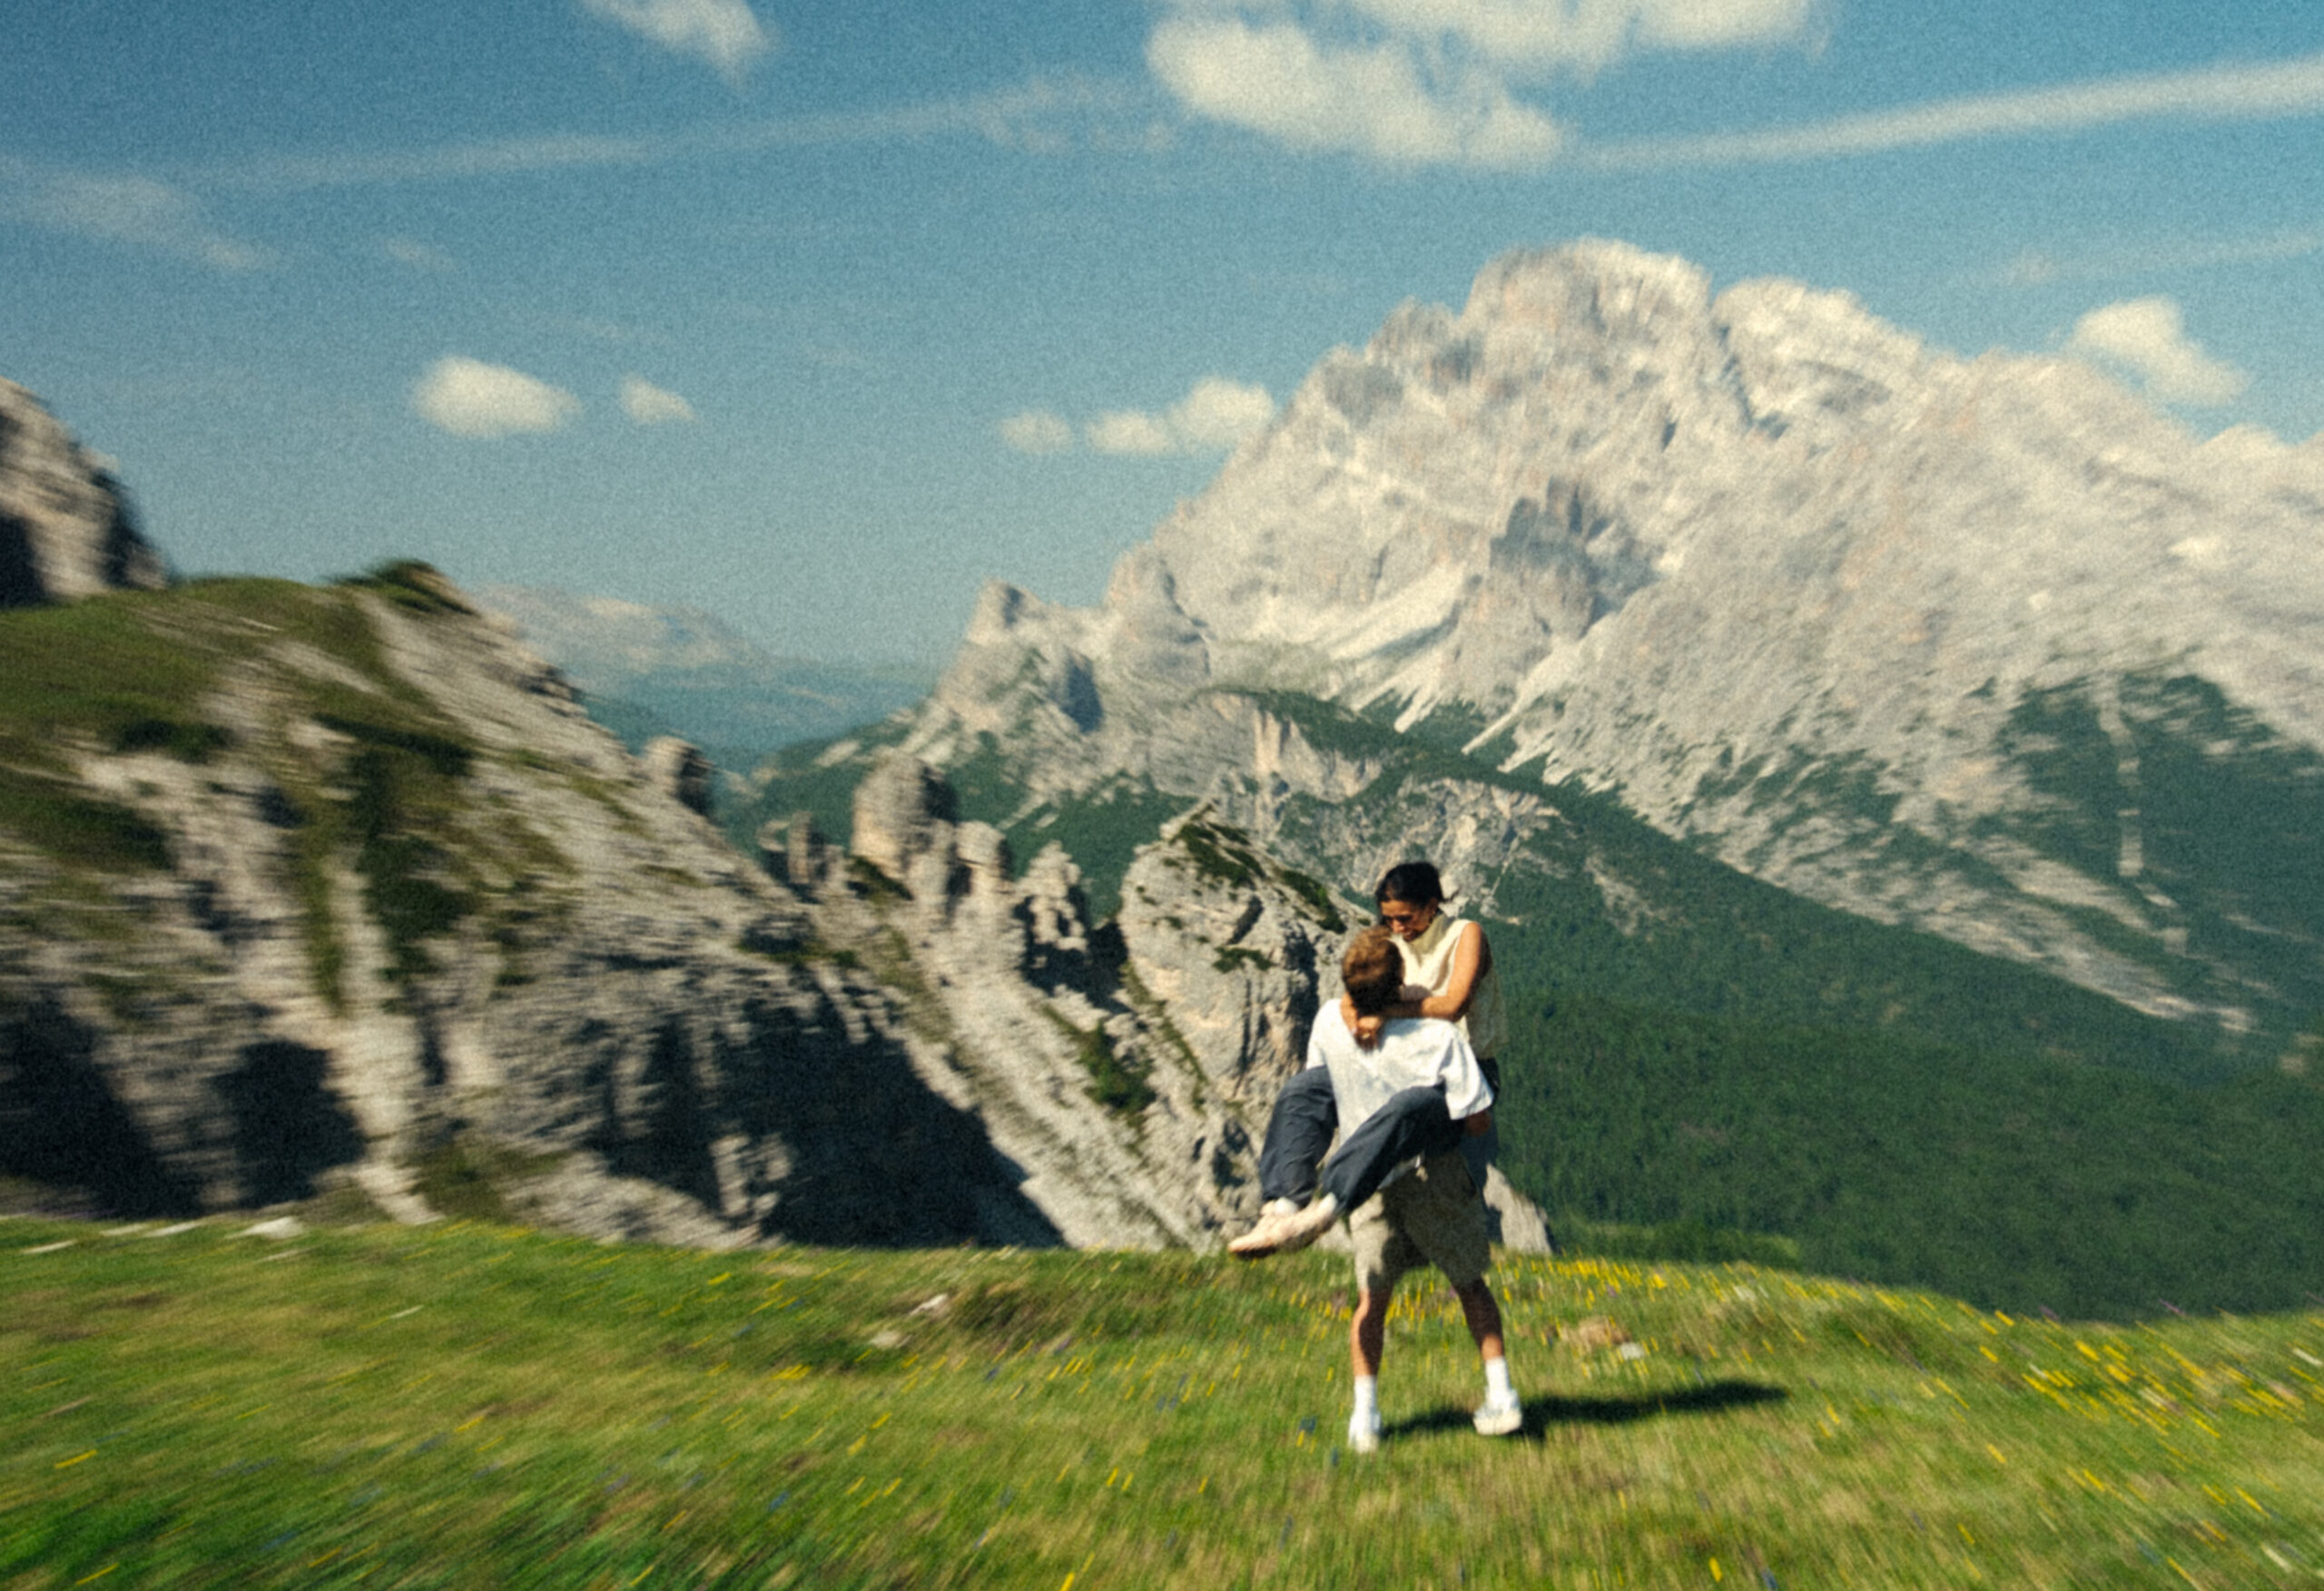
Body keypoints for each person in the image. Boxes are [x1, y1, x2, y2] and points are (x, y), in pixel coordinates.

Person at [1275, 926, 1521, 1453]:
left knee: (1372, 1300)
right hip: (1433, 1173)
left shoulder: (1327, 1022)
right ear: (1402, 979)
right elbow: (1478, 1122)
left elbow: (1320, 1088)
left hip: (1366, 1184)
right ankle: (1501, 1396)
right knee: (1470, 1285)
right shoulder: (1438, 1039)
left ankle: (1364, 1419)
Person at [1231, 861, 1508, 1257]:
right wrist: (1359, 1019)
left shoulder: (1466, 935)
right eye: (1389, 918)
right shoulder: (1388, 939)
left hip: (1467, 1074)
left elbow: (1454, 1003)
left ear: (1432, 904)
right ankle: (1281, 1207)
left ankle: (1327, 1209)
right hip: (1405, 1062)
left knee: (1407, 1108)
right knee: (1305, 1089)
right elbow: (1350, 998)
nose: (1397, 928)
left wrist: (1384, 1012)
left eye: (1405, 917)